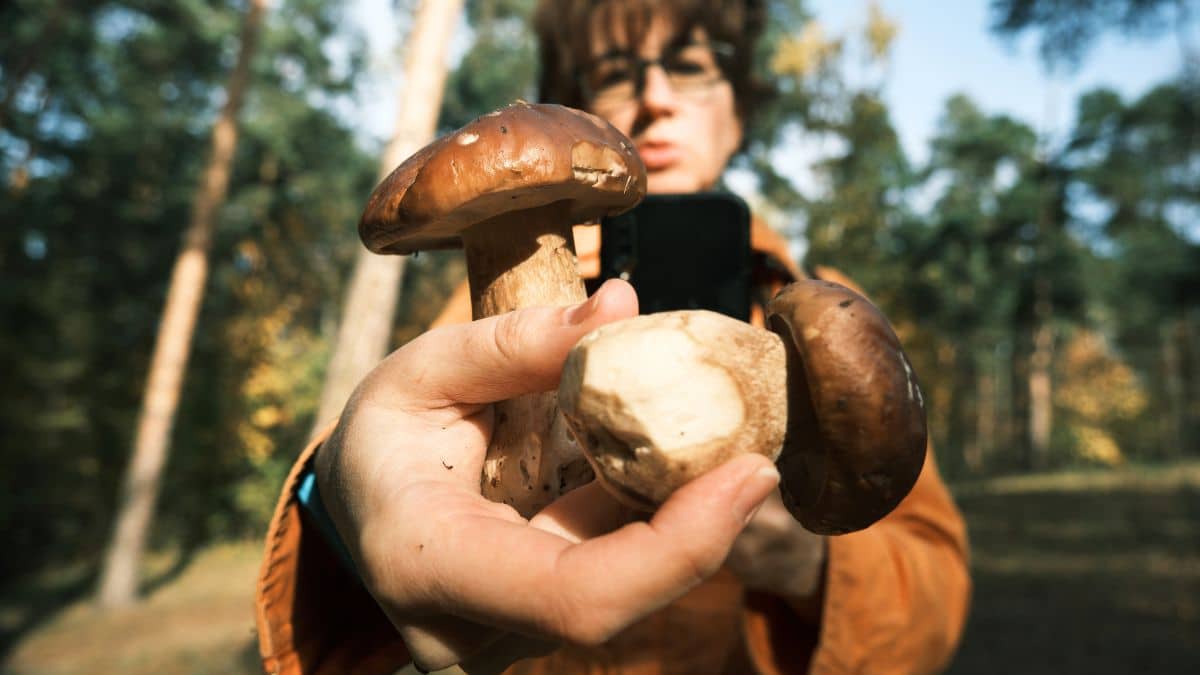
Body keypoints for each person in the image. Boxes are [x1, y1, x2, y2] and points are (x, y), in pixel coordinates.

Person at [255, 1, 971, 673]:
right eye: (614, 74)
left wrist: (809, 569)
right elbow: (386, 472)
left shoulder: (827, 312)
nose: (655, 97)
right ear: (572, 108)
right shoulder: (479, 316)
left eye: (691, 66)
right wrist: (337, 499)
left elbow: (936, 593)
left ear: (738, 109)